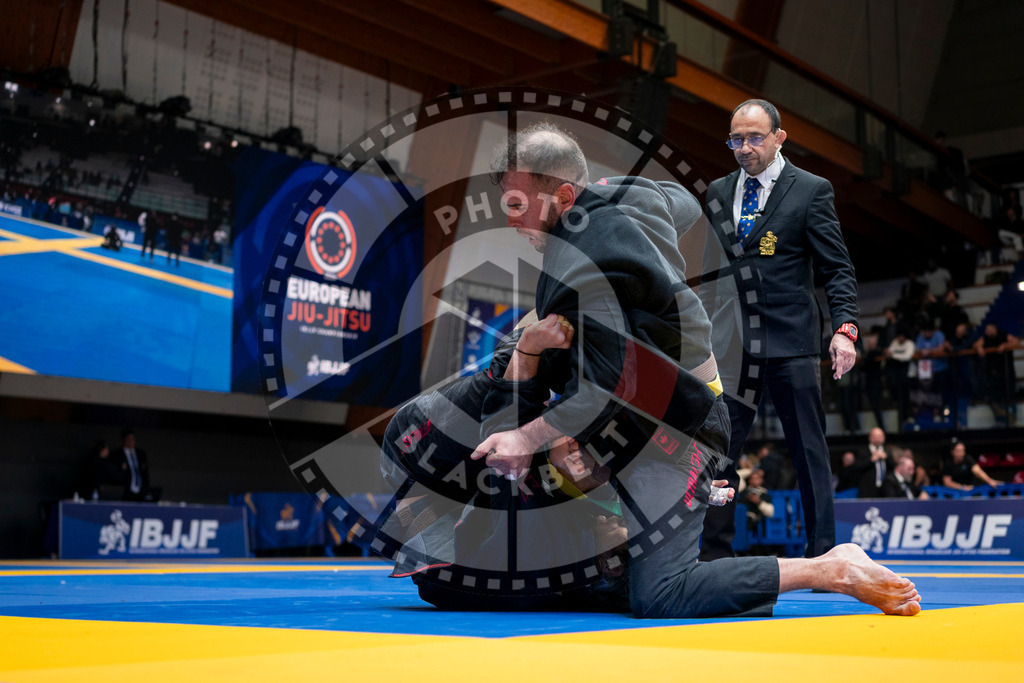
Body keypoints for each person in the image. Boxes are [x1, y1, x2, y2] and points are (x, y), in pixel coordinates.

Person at [471, 122, 915, 617]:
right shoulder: (628, 199)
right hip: (654, 410)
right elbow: (682, 202)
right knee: (576, 488)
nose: (510, 218)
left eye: (519, 204)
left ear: (565, 196)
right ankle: (680, 498)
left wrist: (525, 436)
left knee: (661, 592)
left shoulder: (581, 269)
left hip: (679, 428)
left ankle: (830, 567)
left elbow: (603, 394)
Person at [700, 99, 859, 560]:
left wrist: (845, 328)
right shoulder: (717, 192)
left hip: (792, 341)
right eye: (736, 139)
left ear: (778, 138)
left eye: (754, 137)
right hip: (731, 346)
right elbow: (710, 273)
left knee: (809, 450)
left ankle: (823, 554)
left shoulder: (811, 190)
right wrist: (699, 339)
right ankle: (712, 557)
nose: (744, 147)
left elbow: (837, 269)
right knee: (718, 452)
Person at [110, 428, 157, 501]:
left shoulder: (141, 454)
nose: (131, 441)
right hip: (125, 492)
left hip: (140, 492)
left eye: (133, 439)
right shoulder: (117, 454)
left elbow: (145, 474)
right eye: (129, 439)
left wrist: (146, 489)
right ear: (124, 440)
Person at [856, 428, 896, 499]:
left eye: (879, 436)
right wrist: (871, 460)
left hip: (885, 489)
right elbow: (856, 468)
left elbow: (894, 468)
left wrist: (886, 458)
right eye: (875, 436)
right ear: (870, 438)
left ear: (884, 438)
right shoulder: (863, 451)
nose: (877, 439)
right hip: (867, 490)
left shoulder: (887, 451)